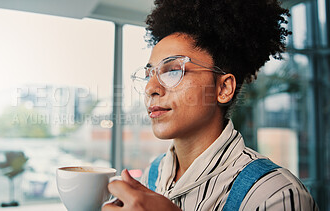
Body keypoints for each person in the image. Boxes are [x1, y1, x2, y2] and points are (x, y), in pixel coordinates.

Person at [102, 0, 318, 210]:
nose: (151, 88)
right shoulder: (152, 175)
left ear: (223, 89)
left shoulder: (275, 195)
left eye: (174, 70)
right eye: (149, 74)